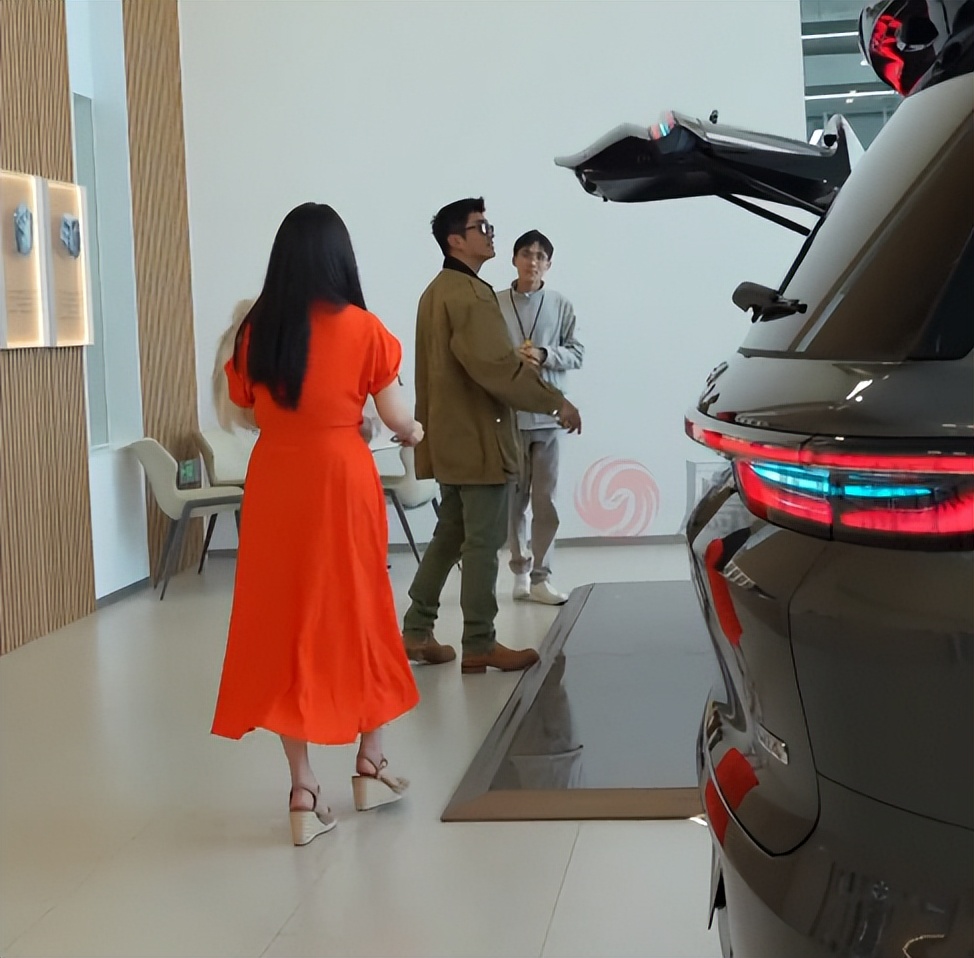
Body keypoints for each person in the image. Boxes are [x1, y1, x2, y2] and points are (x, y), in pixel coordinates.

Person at [211, 203, 423, 846]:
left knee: (285, 621)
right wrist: (412, 430)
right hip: (341, 479)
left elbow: (245, 404)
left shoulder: (257, 331)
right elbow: (397, 417)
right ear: (340, 258)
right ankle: (370, 763)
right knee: (361, 608)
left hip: (276, 480)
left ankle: (303, 791)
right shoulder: (365, 328)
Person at [401, 197, 582, 674]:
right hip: (478, 439)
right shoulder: (471, 295)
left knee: (451, 533)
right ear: (455, 240)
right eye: (480, 227)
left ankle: (416, 629)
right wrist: (555, 402)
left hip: (449, 437)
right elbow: (497, 369)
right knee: (482, 542)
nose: (491, 234)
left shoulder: (436, 291)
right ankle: (480, 641)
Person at [496, 230, 584, 605]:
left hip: (549, 418)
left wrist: (546, 355)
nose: (532, 262)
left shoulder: (561, 304)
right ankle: (519, 570)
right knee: (513, 502)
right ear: (514, 259)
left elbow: (577, 353)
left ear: (548, 264)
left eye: (540, 256)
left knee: (546, 501)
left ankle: (541, 577)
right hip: (509, 416)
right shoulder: (495, 303)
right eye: (526, 254)